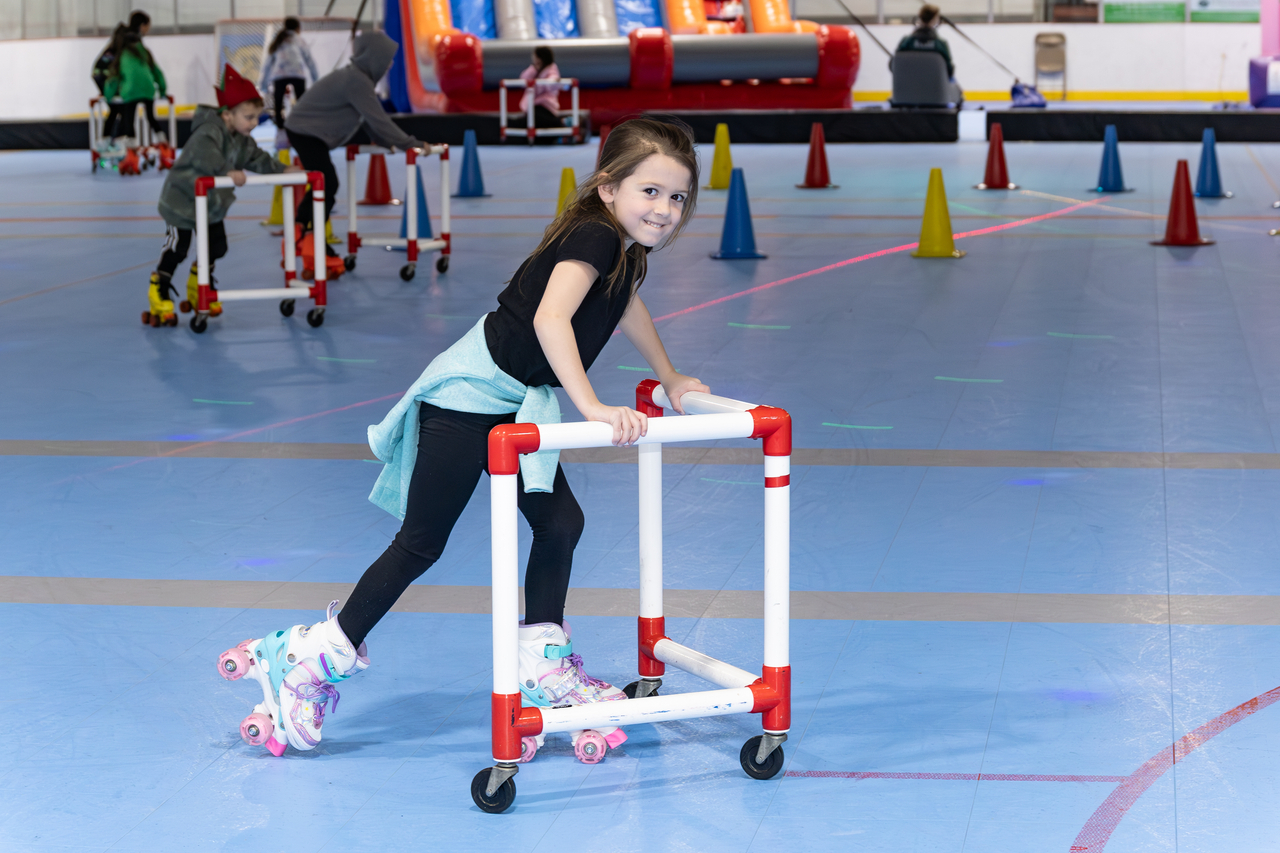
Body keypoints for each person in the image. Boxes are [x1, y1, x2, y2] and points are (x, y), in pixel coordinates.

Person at [217, 118, 708, 757]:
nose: (665, 211)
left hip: (512, 404)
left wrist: (668, 375)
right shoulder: (594, 235)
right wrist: (589, 404)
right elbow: (551, 317)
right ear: (609, 187)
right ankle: (307, 659)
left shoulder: (622, 250)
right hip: (466, 400)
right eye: (651, 192)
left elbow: (626, 304)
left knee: (560, 522)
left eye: (677, 198)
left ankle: (540, 663)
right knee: (421, 544)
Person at [143, 65, 297, 328]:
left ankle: (199, 282)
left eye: (256, 117)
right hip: (183, 200)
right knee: (178, 247)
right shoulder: (208, 131)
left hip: (210, 203)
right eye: (248, 117)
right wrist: (228, 171)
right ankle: (160, 287)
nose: (253, 123)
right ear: (227, 115)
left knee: (217, 246)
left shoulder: (242, 138)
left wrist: (285, 169)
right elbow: (207, 156)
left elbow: (258, 158)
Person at [284, 31, 422, 279]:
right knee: (326, 182)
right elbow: (379, 120)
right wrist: (409, 144)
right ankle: (302, 234)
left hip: (310, 131)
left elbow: (368, 120)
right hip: (305, 131)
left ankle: (306, 234)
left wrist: (383, 141)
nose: (390, 64)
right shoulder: (356, 81)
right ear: (374, 58)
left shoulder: (358, 80)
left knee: (324, 183)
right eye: (387, 59)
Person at [103, 11, 167, 144]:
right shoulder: (144, 51)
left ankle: (131, 145)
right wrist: (162, 90)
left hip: (130, 91)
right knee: (151, 117)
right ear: (142, 26)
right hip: (149, 90)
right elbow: (156, 71)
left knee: (128, 118)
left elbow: (114, 78)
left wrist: (108, 95)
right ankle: (162, 141)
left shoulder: (122, 54)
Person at [258, 18, 319, 135]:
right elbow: (310, 61)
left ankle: (280, 126)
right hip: (297, 74)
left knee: (278, 101)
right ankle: (302, 123)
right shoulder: (299, 40)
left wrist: (264, 85)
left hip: (279, 75)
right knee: (301, 101)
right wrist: (316, 79)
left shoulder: (278, 40)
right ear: (298, 28)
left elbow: (268, 63)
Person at [510, 46, 562, 137]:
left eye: (535, 56)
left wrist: (540, 83)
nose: (533, 59)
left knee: (535, 118)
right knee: (527, 120)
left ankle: (561, 123)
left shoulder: (552, 70)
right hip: (533, 106)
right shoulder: (534, 70)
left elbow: (552, 83)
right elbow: (523, 79)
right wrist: (534, 69)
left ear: (540, 58)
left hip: (546, 108)